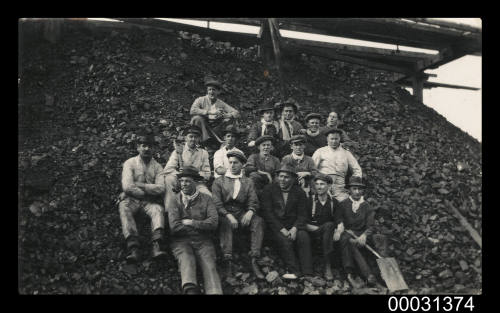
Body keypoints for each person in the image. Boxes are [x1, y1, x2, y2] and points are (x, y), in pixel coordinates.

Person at [167, 166, 223, 294]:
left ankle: (214, 292)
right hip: (182, 242)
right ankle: (190, 290)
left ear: (195, 182)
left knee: (209, 265)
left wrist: (192, 223)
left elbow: (213, 223)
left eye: (187, 181)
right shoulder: (175, 200)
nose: (184, 184)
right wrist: (201, 227)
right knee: (186, 258)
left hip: (204, 242)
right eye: (181, 181)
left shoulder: (207, 199)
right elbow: (174, 226)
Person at [211, 150, 265, 279]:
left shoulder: (247, 181)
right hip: (224, 213)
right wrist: (228, 215)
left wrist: (250, 212)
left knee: (258, 221)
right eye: (230, 163)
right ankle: (228, 260)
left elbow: (253, 200)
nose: (232, 165)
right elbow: (216, 203)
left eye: (236, 163)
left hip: (241, 211)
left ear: (242, 165)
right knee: (225, 223)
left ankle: (254, 259)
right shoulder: (219, 181)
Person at [118, 133, 167, 263]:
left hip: (150, 202)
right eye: (143, 146)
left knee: (158, 210)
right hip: (133, 199)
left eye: (149, 146)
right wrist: (147, 191)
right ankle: (133, 247)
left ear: (154, 149)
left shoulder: (158, 167)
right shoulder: (130, 163)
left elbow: (161, 188)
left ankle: (157, 245)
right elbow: (127, 186)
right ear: (138, 148)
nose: (146, 149)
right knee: (124, 207)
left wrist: (139, 185)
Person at [335, 176, 389, 287]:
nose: (357, 192)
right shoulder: (342, 205)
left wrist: (364, 235)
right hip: (348, 233)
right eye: (354, 189)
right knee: (348, 240)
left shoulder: (367, 207)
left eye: (360, 189)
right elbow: (339, 220)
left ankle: (382, 274)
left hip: (362, 234)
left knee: (380, 238)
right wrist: (340, 226)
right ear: (349, 190)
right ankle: (360, 274)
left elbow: (370, 226)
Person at [261, 165, 310, 280]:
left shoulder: (299, 192)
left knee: (304, 237)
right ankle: (295, 271)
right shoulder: (269, 189)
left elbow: (303, 214)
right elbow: (268, 213)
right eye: (280, 176)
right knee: (285, 240)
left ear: (293, 179)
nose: (282, 179)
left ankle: (308, 273)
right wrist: (281, 229)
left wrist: (294, 228)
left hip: (293, 225)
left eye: (286, 177)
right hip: (275, 226)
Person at [298, 174, 343, 280]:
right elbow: (302, 222)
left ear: (329, 186)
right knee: (328, 225)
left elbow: (339, 221)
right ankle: (321, 267)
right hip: (313, 232)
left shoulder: (334, 202)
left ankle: (327, 266)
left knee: (330, 225)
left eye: (322, 184)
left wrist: (339, 232)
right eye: (317, 184)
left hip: (328, 235)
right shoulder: (309, 201)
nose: (319, 187)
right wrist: (320, 230)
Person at [161, 126, 211, 211]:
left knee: (209, 197)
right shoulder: (178, 151)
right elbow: (168, 169)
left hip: (196, 183)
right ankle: (170, 211)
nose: (193, 139)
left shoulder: (203, 153)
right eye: (190, 136)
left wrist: (194, 174)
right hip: (181, 182)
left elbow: (207, 174)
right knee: (169, 179)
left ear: (199, 139)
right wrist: (179, 175)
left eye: (196, 137)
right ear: (185, 138)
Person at [312, 128, 362, 202]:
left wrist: (354, 183)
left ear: (339, 139)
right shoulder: (320, 151)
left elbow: (357, 169)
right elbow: (312, 168)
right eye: (332, 139)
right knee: (323, 203)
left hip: (340, 185)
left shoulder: (346, 153)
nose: (334, 141)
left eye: (336, 139)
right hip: (323, 183)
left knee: (345, 203)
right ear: (327, 139)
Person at [190, 78, 240, 144]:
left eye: (214, 90)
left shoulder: (221, 103)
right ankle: (202, 141)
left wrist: (227, 115)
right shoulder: (201, 100)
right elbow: (192, 110)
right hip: (202, 127)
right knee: (197, 118)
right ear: (207, 91)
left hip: (215, 128)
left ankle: (224, 141)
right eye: (209, 89)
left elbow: (236, 113)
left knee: (230, 120)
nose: (211, 92)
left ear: (218, 92)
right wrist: (210, 112)